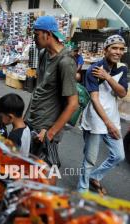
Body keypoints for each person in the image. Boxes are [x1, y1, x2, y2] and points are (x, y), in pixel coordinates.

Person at [77, 34, 128, 195]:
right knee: (90, 159)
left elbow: (121, 93)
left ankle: (95, 176)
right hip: (96, 119)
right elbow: (95, 99)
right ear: (106, 50)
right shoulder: (94, 69)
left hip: (112, 118)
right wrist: (108, 124)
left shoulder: (122, 68)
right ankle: (82, 190)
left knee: (119, 155)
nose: (118, 52)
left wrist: (107, 77)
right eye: (114, 48)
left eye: (121, 49)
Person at [25, 16, 78, 161]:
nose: (34, 39)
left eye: (36, 35)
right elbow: (41, 88)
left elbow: (72, 104)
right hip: (32, 121)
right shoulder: (43, 54)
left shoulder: (65, 62)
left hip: (45, 129)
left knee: (43, 172)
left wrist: (50, 133)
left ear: (47, 34)